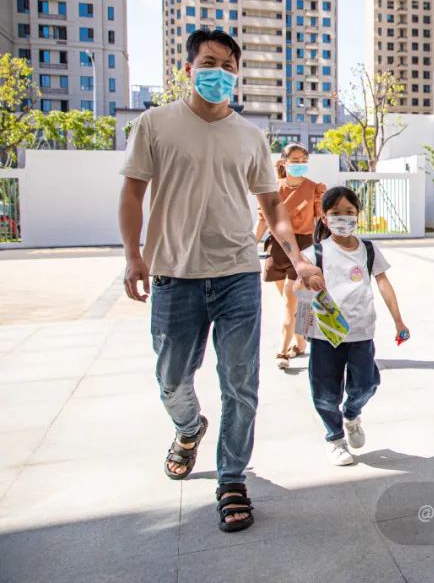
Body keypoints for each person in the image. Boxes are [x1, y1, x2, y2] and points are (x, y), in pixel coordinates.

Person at [118, 28, 323, 534]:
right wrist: (133, 256)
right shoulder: (155, 124)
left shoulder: (250, 136)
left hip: (236, 275)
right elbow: (132, 195)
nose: (220, 73)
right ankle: (188, 429)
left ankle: (232, 477)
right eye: (210, 62)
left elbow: (272, 205)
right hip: (173, 275)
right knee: (171, 380)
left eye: (229, 66)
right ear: (188, 69)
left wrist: (296, 258)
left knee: (241, 385)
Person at [294, 186, 408, 466]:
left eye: (349, 213)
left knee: (366, 384)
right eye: (336, 213)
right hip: (325, 335)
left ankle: (352, 414)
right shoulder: (315, 252)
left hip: (361, 332)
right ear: (324, 217)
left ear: (358, 215)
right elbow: (297, 288)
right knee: (325, 392)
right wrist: (307, 281)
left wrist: (398, 320)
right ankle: (334, 439)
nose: (343, 219)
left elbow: (383, 283)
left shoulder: (368, 249)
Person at [254, 143, 326, 370]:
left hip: (302, 247)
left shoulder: (314, 188)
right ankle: (301, 342)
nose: (299, 164)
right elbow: (263, 219)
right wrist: (249, 243)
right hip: (276, 247)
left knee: (289, 301)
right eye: (294, 160)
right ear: (284, 162)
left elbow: (320, 221)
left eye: (303, 160)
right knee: (288, 302)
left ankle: (282, 351)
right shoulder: (273, 188)